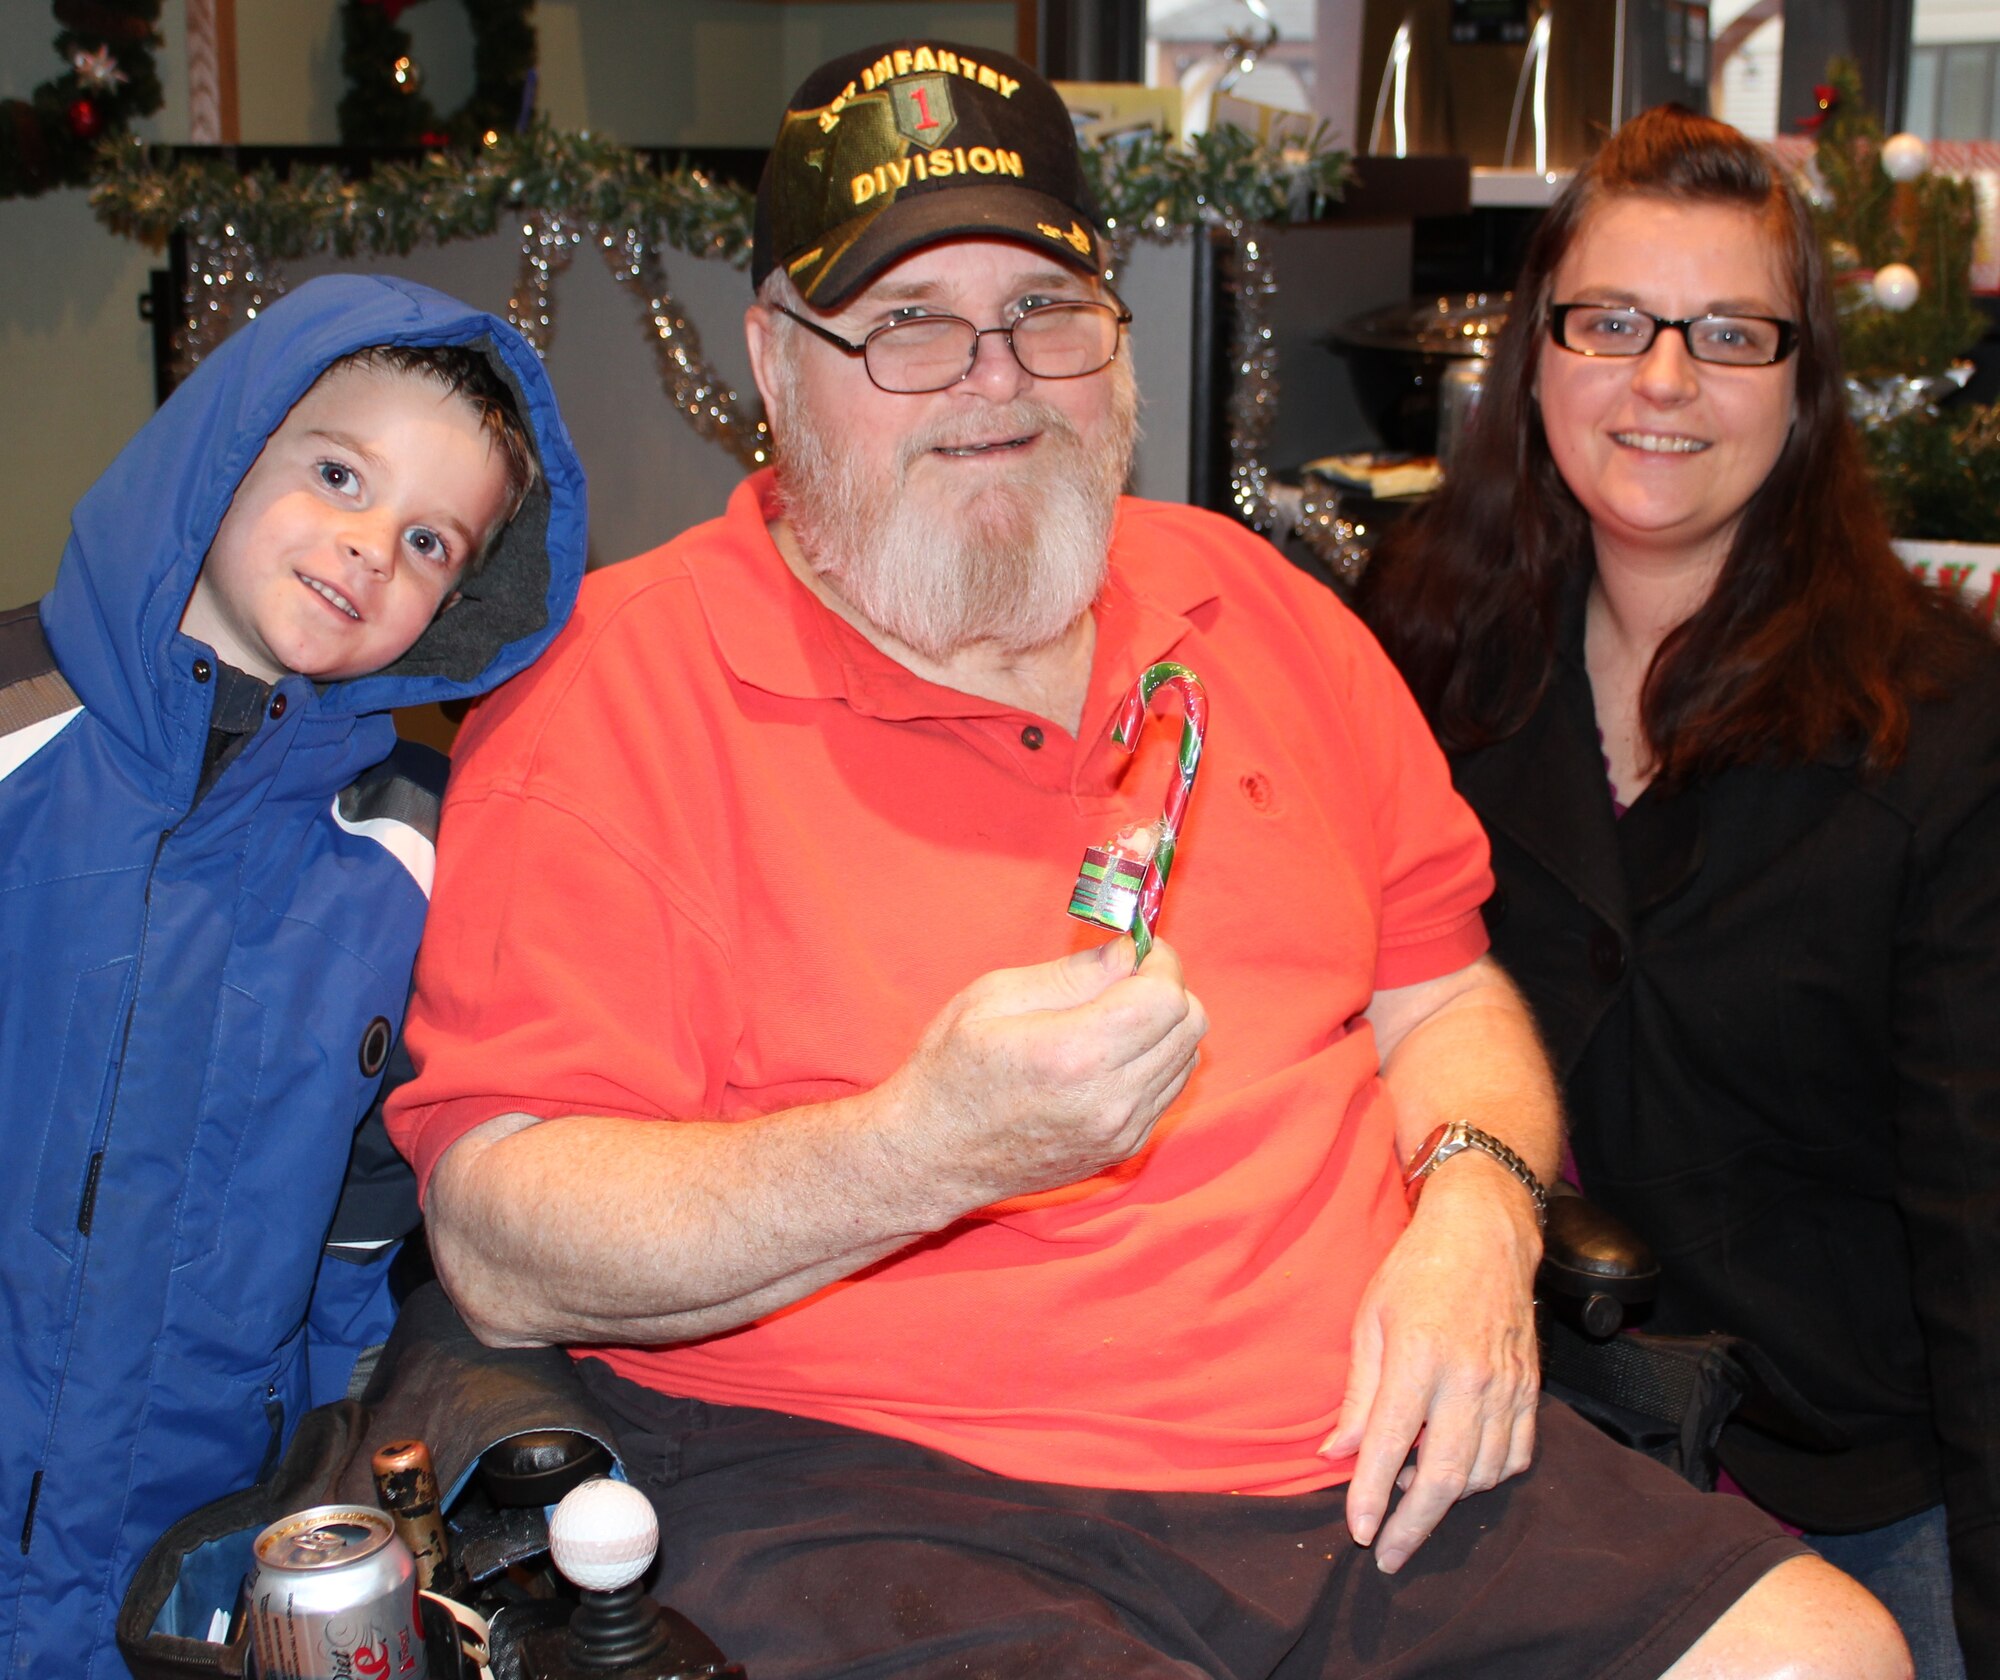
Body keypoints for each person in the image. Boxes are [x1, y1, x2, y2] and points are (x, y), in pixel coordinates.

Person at [388, 47, 1906, 1680]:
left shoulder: (1258, 609)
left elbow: (1445, 993)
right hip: (890, 1498)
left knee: (1826, 1653)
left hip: (1374, 1455)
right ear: (774, 358)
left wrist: (1477, 1217)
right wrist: (919, 1150)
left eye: (1046, 311)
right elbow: (499, 1237)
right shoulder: (615, 689)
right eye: (909, 323)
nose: (994, 381)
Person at [1361, 106, 1998, 1679]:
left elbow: (1981, 1226)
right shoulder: (1415, 651)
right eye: (1612, 323)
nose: (1662, 379)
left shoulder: (1940, 728)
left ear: (1803, 384)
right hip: (1496, 1438)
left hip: (1831, 1479)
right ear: (1537, 356)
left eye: (1728, 333)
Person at [0, 272, 587, 1677]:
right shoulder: (18, 724)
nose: (368, 546)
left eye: (429, 539)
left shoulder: (413, 849)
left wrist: (331, 1481)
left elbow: (366, 1237)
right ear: (226, 446)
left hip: (196, 1543)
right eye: (338, 474)